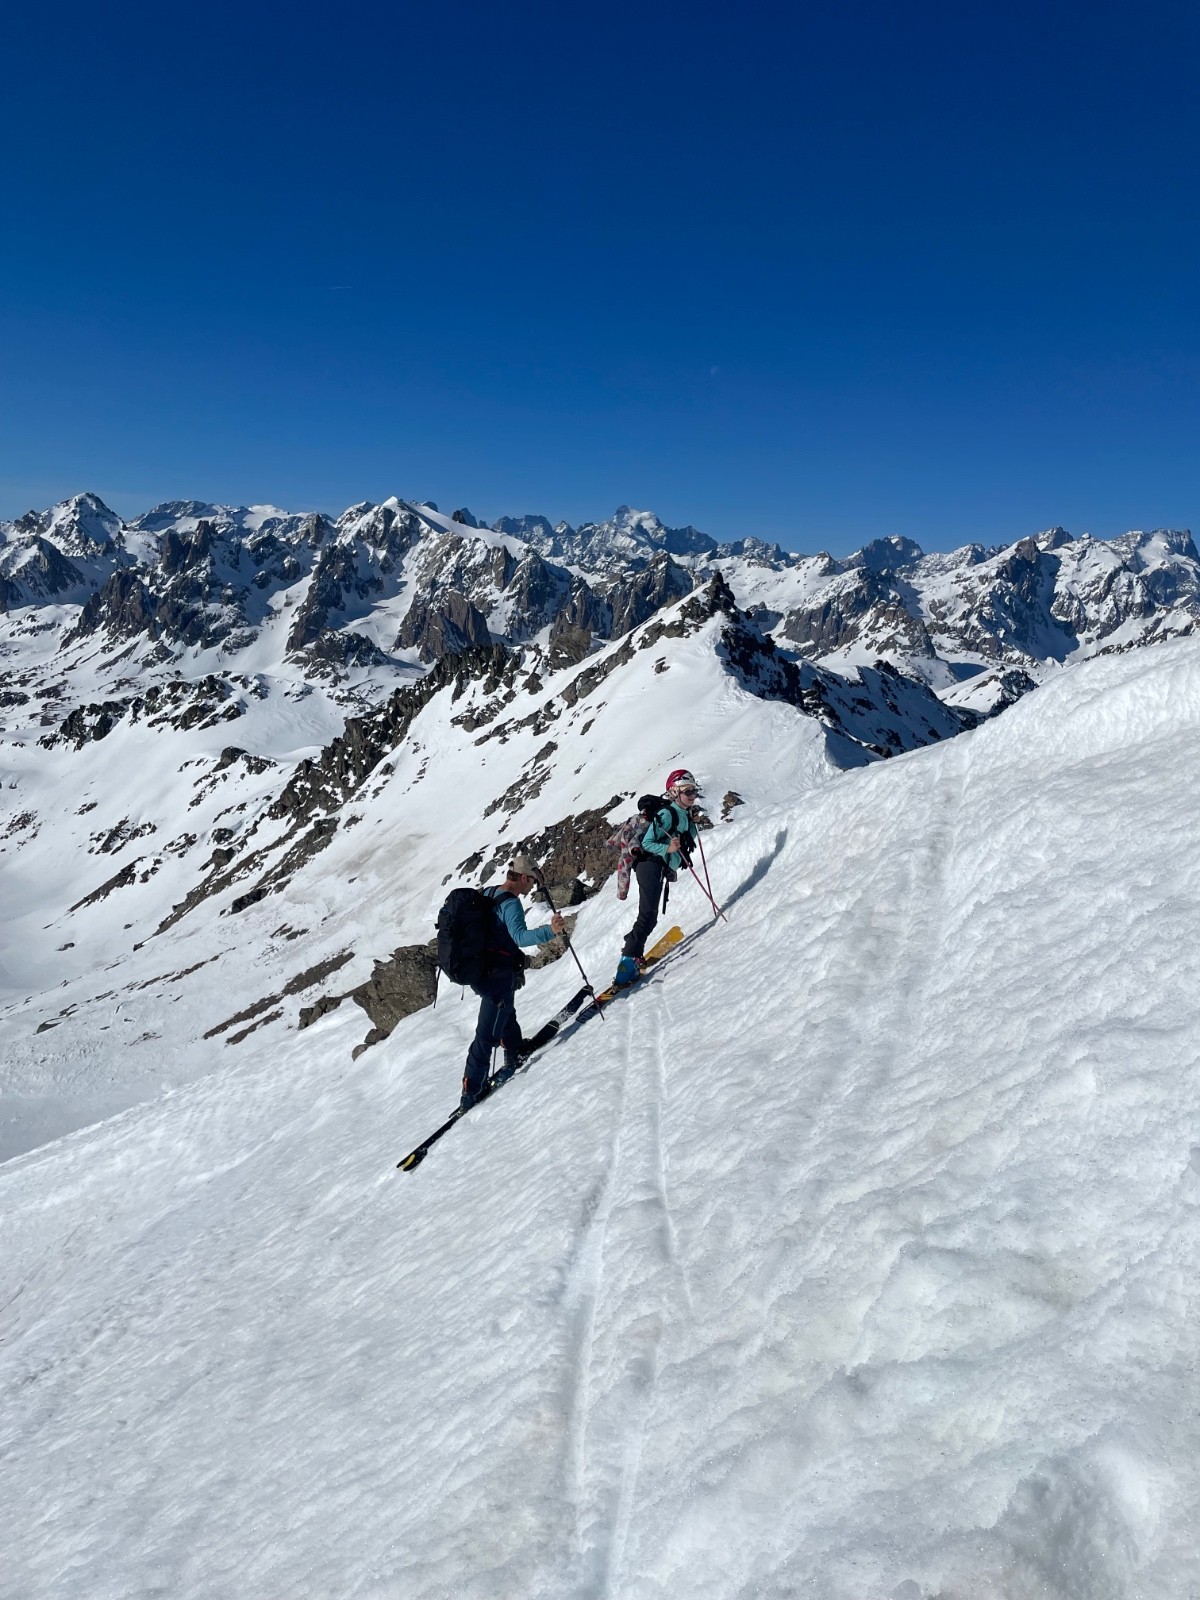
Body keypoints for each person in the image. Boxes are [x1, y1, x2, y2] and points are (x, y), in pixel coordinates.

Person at [461, 855, 565, 1109]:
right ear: (523, 877)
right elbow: (520, 937)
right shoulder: (511, 904)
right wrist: (551, 931)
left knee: (505, 1009)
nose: (531, 887)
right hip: (496, 974)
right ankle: (471, 1090)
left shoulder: (487, 893)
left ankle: (515, 1048)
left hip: (480, 970)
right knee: (486, 1033)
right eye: (531, 881)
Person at [613, 769, 701, 986]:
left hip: (656, 866)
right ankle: (625, 967)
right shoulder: (666, 814)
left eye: (694, 791)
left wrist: (691, 823)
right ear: (673, 792)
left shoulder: (683, 815)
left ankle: (633, 949)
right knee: (648, 916)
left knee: (649, 915)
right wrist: (667, 848)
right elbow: (646, 843)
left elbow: (687, 839)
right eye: (687, 791)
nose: (692, 795)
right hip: (649, 865)